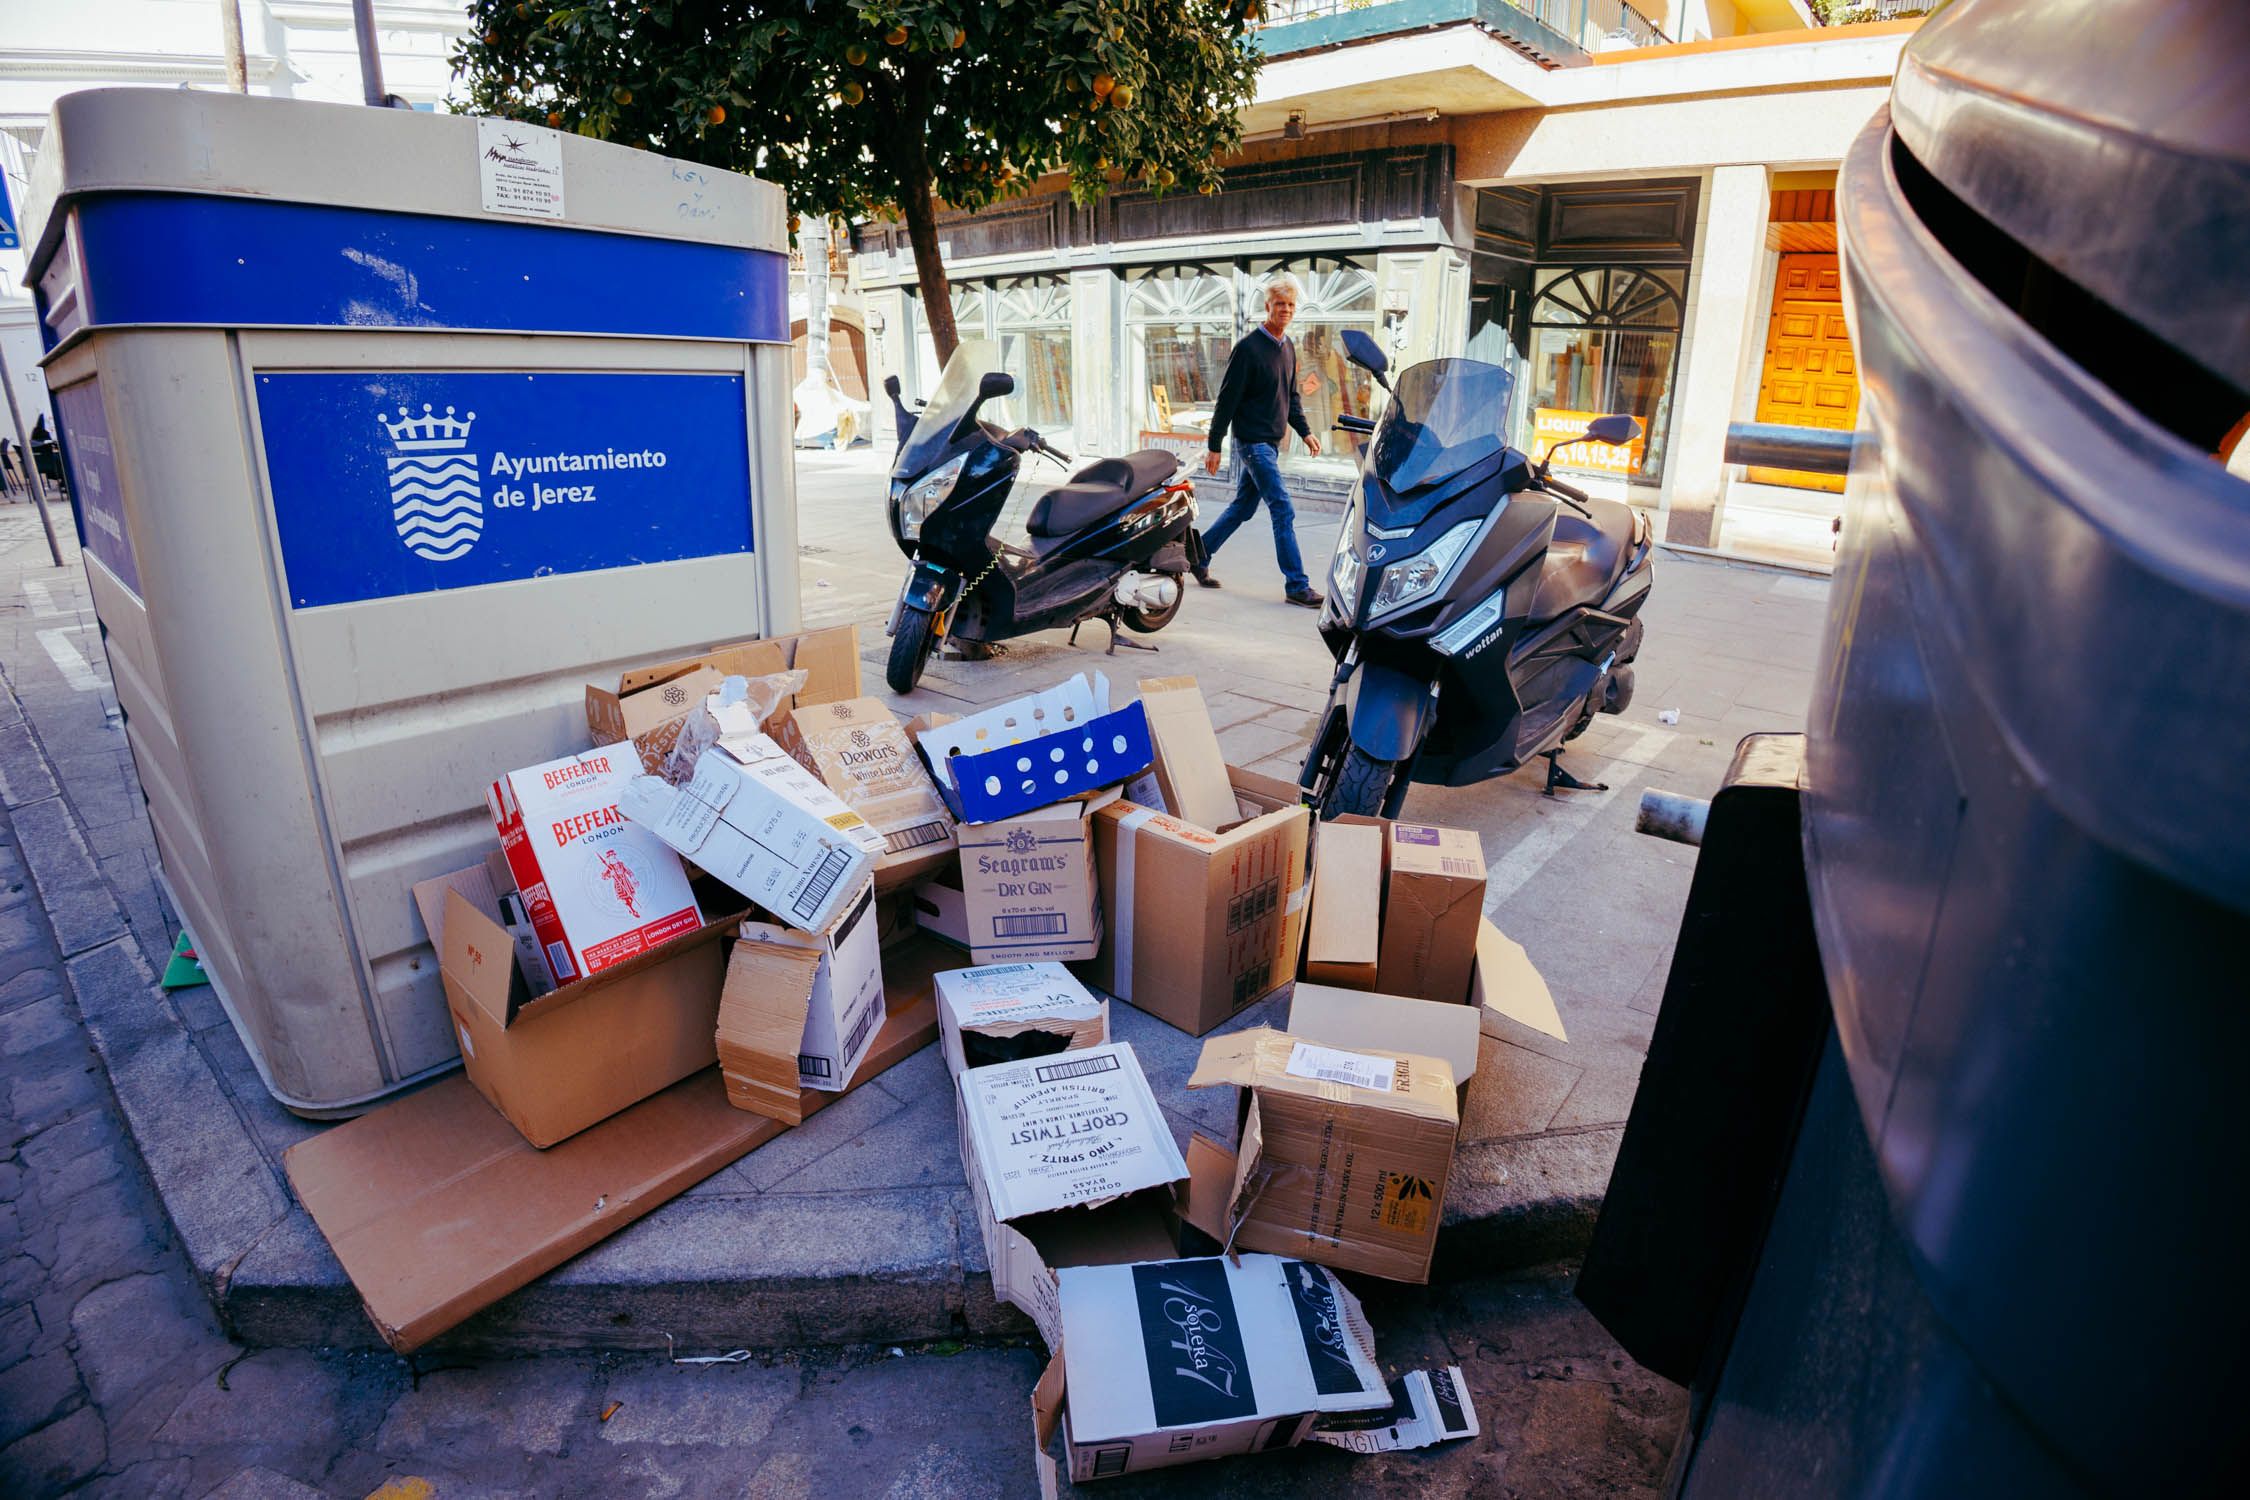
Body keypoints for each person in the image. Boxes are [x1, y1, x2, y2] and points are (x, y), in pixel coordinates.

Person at [1196, 273, 1325, 608]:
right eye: (1279, 304)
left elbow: (1291, 397)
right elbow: (1227, 401)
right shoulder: (1248, 349)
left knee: (1242, 508)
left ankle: (1198, 554)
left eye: (1290, 305)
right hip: (1252, 443)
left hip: (1270, 444)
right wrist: (1214, 445)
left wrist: (1306, 431)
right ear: (1267, 307)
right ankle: (1296, 584)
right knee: (1283, 508)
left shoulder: (1288, 347)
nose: (1285, 309)